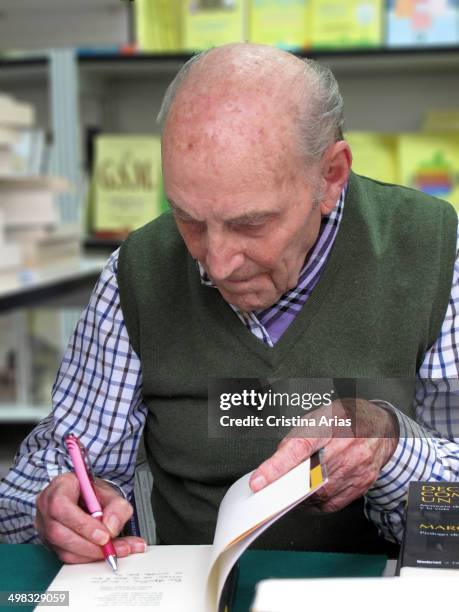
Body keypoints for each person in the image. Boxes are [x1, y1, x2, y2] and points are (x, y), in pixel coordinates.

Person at [1, 43, 458, 563]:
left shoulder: (434, 253)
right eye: (189, 220)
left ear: (331, 176)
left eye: (250, 224)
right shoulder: (140, 271)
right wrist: (60, 507)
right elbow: (38, 484)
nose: (216, 264)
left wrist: (390, 446)